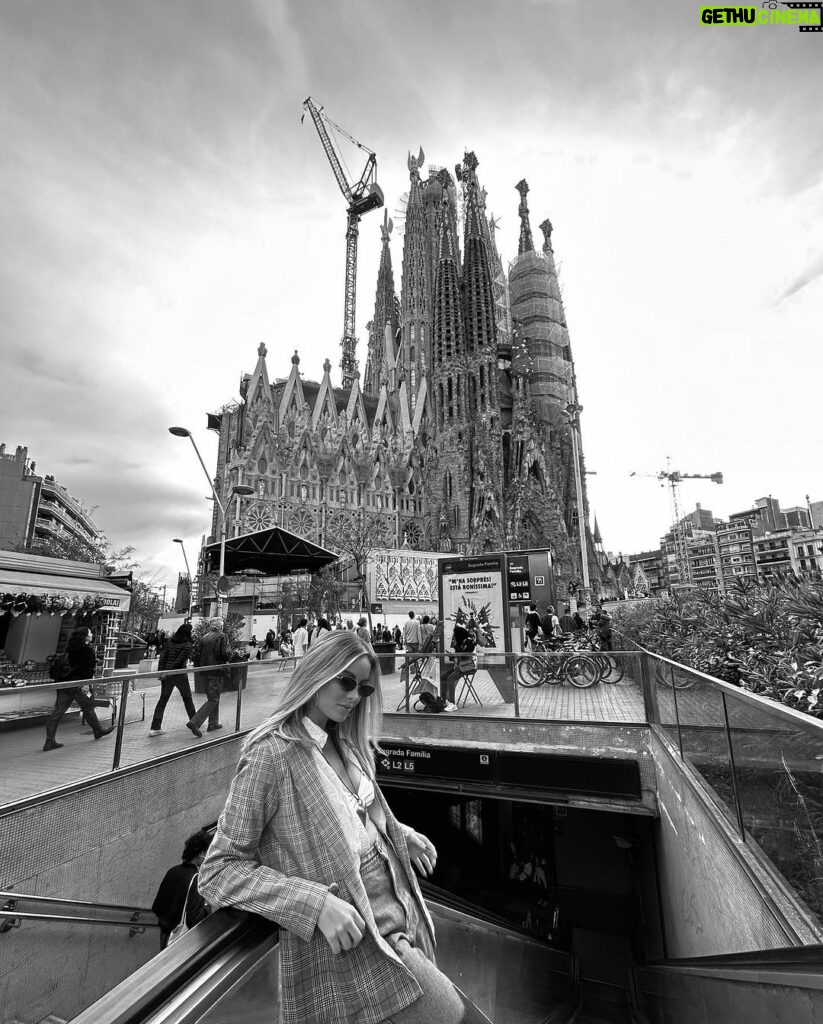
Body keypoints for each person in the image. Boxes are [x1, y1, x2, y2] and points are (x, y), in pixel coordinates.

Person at [198, 631, 491, 1024]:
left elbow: (354, 814)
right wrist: (312, 903)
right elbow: (219, 869)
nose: (355, 696)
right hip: (360, 948)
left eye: (364, 688)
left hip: (403, 911)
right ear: (318, 672)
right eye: (346, 681)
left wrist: (397, 833)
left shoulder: (344, 738)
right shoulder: (272, 755)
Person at [43, 626, 113, 751]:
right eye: (90, 633)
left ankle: (49, 740)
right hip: (81, 685)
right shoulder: (87, 651)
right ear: (85, 636)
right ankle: (98, 730)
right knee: (88, 707)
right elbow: (86, 672)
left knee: (58, 711)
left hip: (65, 685)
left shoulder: (70, 649)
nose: (92, 635)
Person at [152, 828, 212, 950]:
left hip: (165, 935)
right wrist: (209, 907)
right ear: (201, 853)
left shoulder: (172, 871)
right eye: (209, 852)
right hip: (180, 941)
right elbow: (193, 920)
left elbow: (157, 908)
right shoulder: (195, 879)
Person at [149, 623, 197, 736]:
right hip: (179, 675)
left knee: (163, 700)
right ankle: (195, 722)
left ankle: (155, 727)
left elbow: (163, 657)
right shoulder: (187, 645)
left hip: (166, 675)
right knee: (187, 699)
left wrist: (162, 672)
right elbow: (179, 661)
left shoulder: (170, 642)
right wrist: (170, 671)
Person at [188, 618, 231, 739]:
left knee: (212, 697)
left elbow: (197, 654)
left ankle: (213, 723)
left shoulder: (204, 637)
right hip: (216, 670)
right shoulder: (223, 637)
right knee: (213, 699)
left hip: (205, 671)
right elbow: (226, 653)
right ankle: (195, 721)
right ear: (220, 626)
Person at [400, 611, 423, 687]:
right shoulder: (417, 622)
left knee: (410, 657)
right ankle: (416, 671)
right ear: (414, 615)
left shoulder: (406, 623)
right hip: (415, 641)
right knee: (415, 657)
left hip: (409, 642)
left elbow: (405, 632)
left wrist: (404, 641)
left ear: (409, 616)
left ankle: (412, 669)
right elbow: (418, 632)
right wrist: (420, 642)